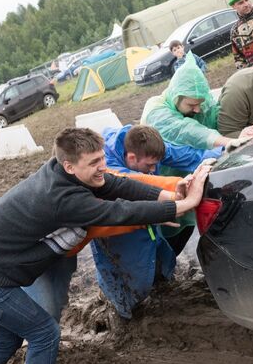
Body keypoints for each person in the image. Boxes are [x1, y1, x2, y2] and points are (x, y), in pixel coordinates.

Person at [0, 127, 209, 364]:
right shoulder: (61, 198)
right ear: (70, 165)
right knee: (44, 332)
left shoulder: (63, 172)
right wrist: (183, 205)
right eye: (94, 161)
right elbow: (117, 211)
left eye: (101, 157)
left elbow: (115, 185)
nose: (102, 166)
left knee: (7, 338)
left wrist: (168, 195)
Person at [93, 125, 217, 318]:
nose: (153, 170)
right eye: (149, 166)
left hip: (147, 219)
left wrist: (226, 149)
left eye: (155, 165)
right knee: (129, 279)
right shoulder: (106, 167)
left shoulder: (145, 147)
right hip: (116, 231)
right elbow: (136, 183)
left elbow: (182, 154)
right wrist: (178, 188)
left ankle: (161, 287)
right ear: (132, 158)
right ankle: (124, 311)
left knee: (163, 261)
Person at [141, 52, 253, 150]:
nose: (198, 109)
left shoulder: (201, 103)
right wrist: (228, 141)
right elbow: (187, 131)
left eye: (200, 103)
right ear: (176, 97)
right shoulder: (156, 110)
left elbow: (220, 119)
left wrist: (245, 131)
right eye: (192, 105)